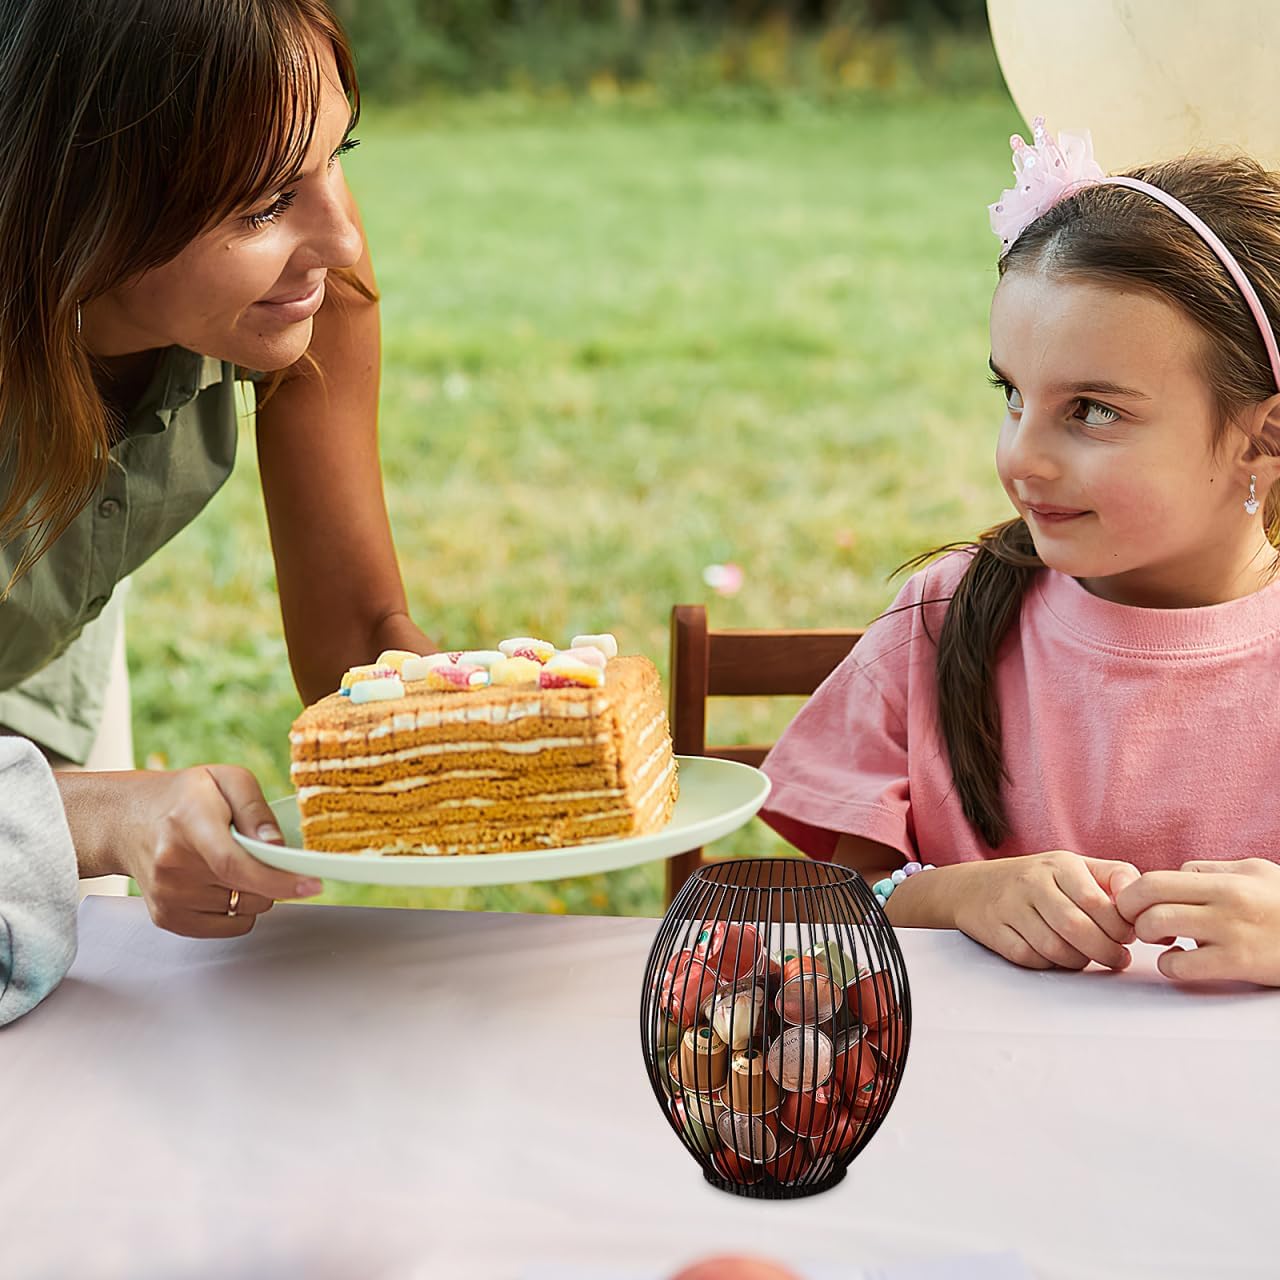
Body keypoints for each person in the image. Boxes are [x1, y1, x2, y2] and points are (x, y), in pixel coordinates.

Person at [759, 118, 1280, 988]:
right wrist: (958, 897)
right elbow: (821, 912)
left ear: (1264, 439)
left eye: (1092, 410)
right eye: (1012, 395)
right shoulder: (944, 616)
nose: (1020, 458)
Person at [0, 1, 437, 936]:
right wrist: (112, 816)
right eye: (267, 201)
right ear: (89, 201)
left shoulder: (310, 282)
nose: (342, 240)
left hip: (38, 657)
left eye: (336, 156)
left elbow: (355, 646)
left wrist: (460, 718)